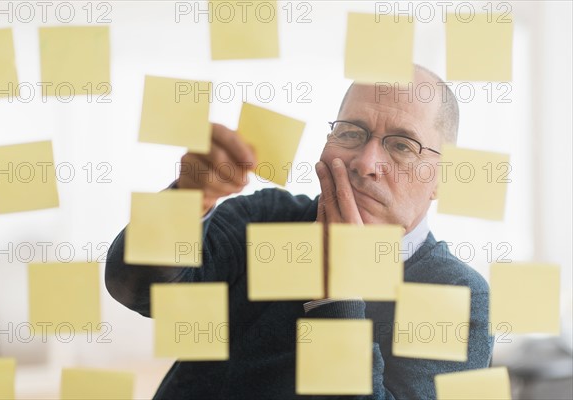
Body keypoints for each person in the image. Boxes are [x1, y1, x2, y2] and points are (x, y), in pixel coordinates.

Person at [105, 65, 493, 399]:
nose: (365, 163)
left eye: (403, 146)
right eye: (351, 132)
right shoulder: (266, 218)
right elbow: (134, 288)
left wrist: (336, 295)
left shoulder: (455, 295)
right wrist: (187, 201)